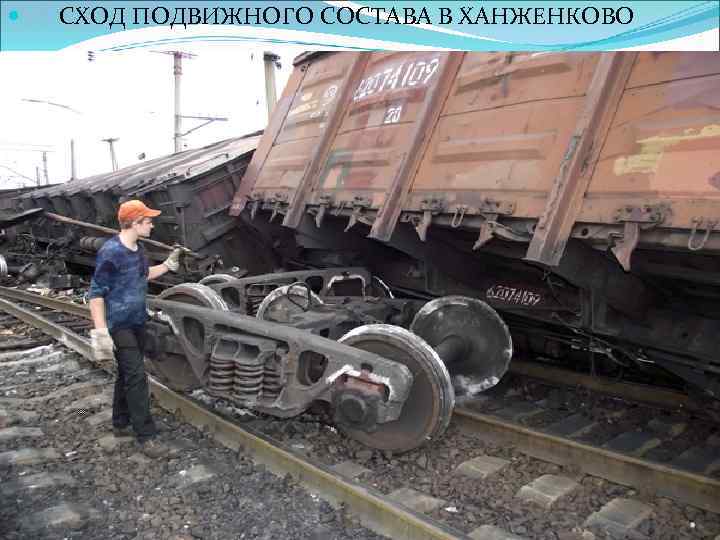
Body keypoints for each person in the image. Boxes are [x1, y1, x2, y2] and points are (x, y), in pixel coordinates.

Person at [88, 200, 186, 458]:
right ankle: (147, 436)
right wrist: (101, 333)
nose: (152, 225)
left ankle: (120, 422)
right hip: (118, 325)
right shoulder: (110, 252)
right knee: (137, 376)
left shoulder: (138, 249)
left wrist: (168, 265)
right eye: (148, 221)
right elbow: (96, 294)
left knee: (127, 374)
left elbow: (142, 275)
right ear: (133, 223)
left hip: (137, 320)